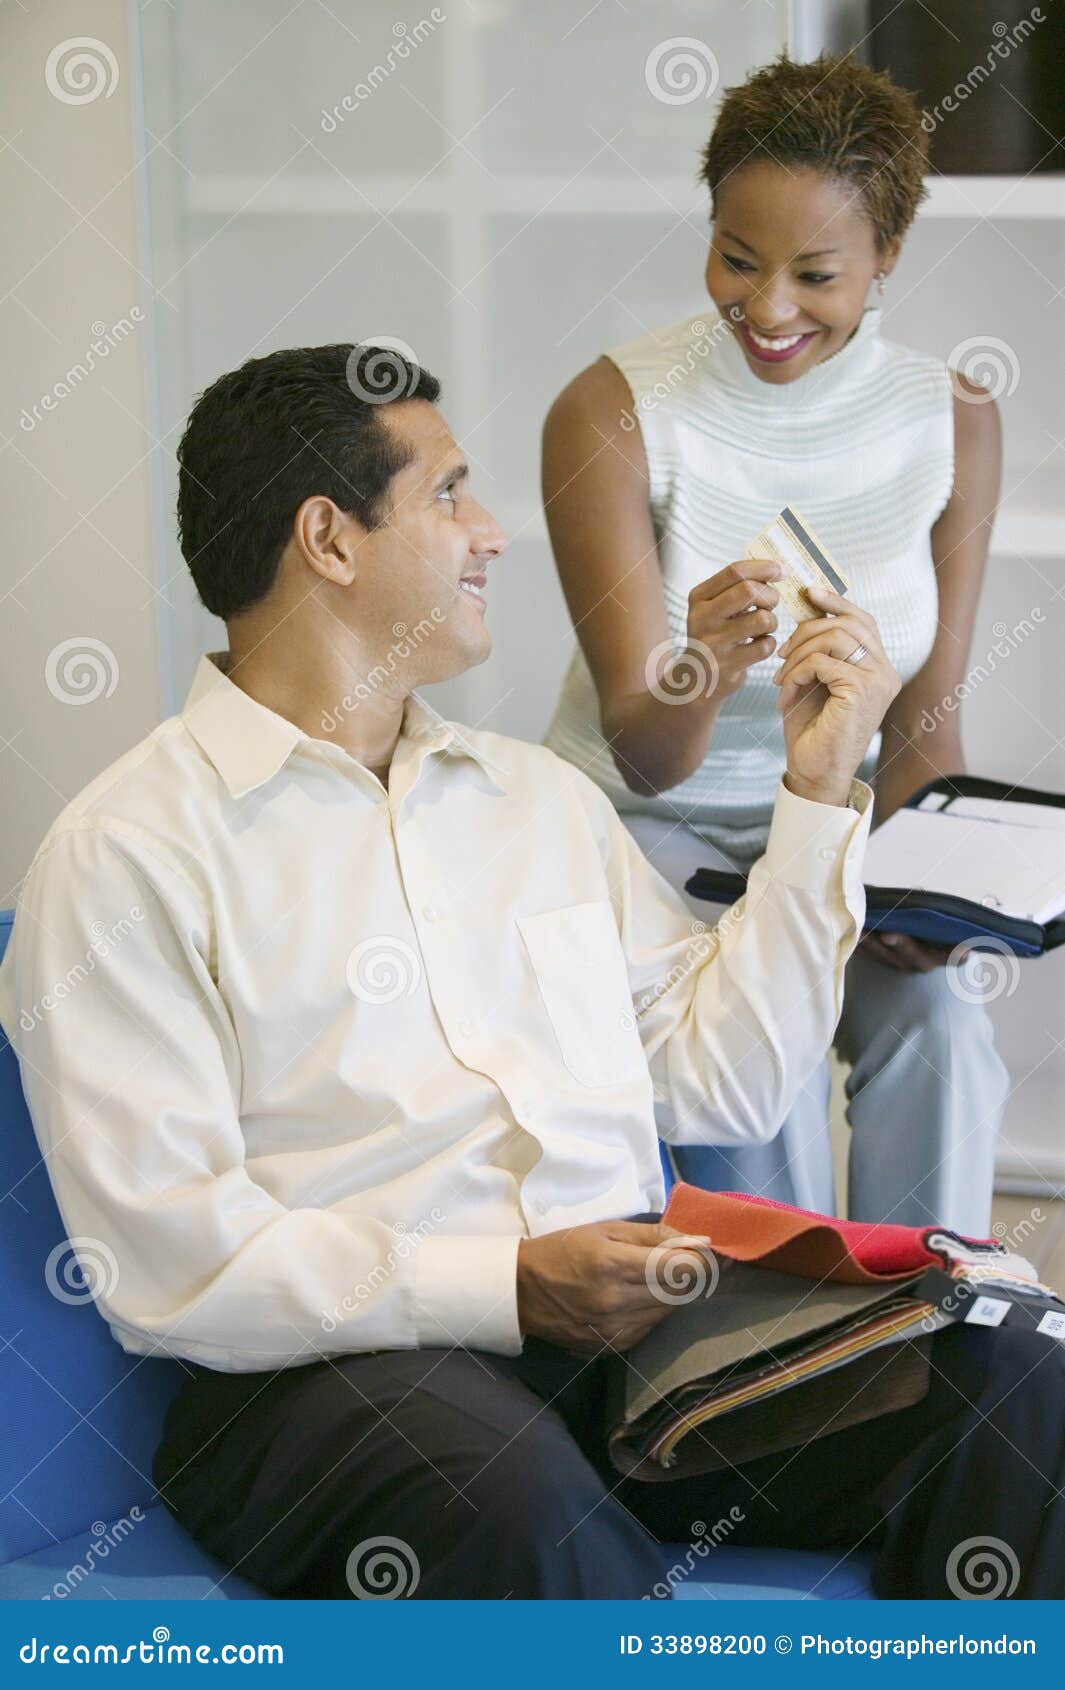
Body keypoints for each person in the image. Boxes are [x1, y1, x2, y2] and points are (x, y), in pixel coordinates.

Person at [1, 344, 1060, 1602]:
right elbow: (173, 1260)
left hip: (631, 1350)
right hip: (333, 1386)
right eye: (449, 494)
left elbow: (730, 1082)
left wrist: (819, 790)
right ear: (329, 539)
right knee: (505, 1492)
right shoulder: (130, 855)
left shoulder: (538, 803)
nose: (491, 532)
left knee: (1018, 1381)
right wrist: (506, 1284)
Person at [543, 51, 1008, 1234]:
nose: (768, 308)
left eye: (817, 274)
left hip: (828, 839)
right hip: (654, 847)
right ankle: (786, 1364)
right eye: (737, 261)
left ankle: (930, 1320)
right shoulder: (609, 413)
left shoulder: (951, 419)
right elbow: (644, 753)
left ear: (887, 258)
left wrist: (932, 899)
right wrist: (706, 662)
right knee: (760, 1075)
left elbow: (924, 724)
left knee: (944, 1034)